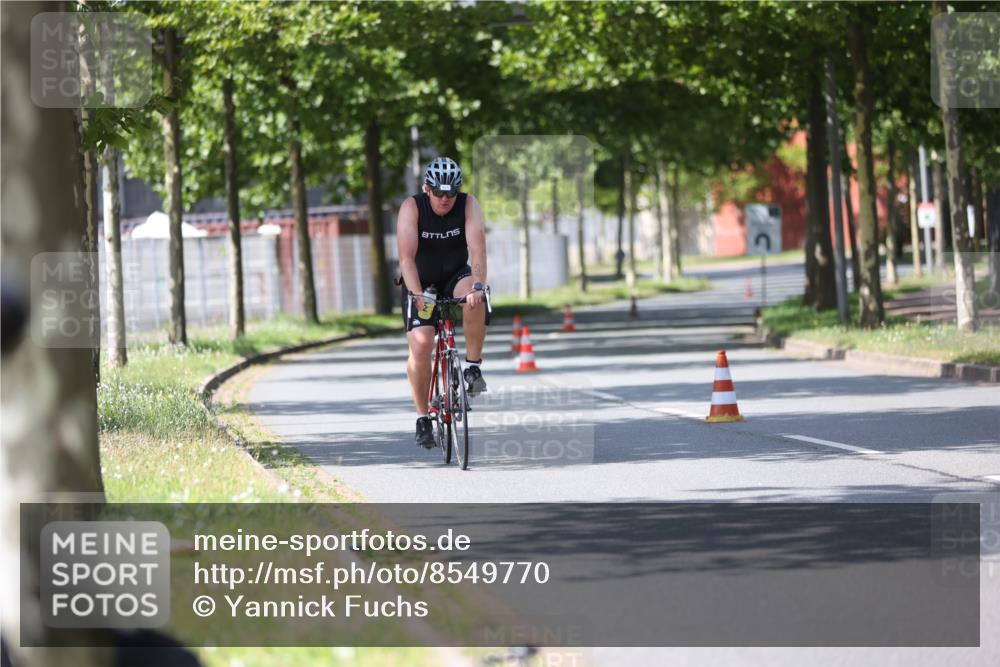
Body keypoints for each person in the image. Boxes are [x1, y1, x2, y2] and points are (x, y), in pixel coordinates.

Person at [397, 157, 488, 449]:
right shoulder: (412, 208)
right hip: (421, 281)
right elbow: (406, 260)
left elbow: (478, 251)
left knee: (476, 300)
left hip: (455, 274)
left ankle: (472, 367)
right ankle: (423, 417)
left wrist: (477, 286)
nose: (445, 199)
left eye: (451, 193)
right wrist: (416, 294)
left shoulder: (468, 204)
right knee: (422, 342)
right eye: (439, 192)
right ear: (427, 189)